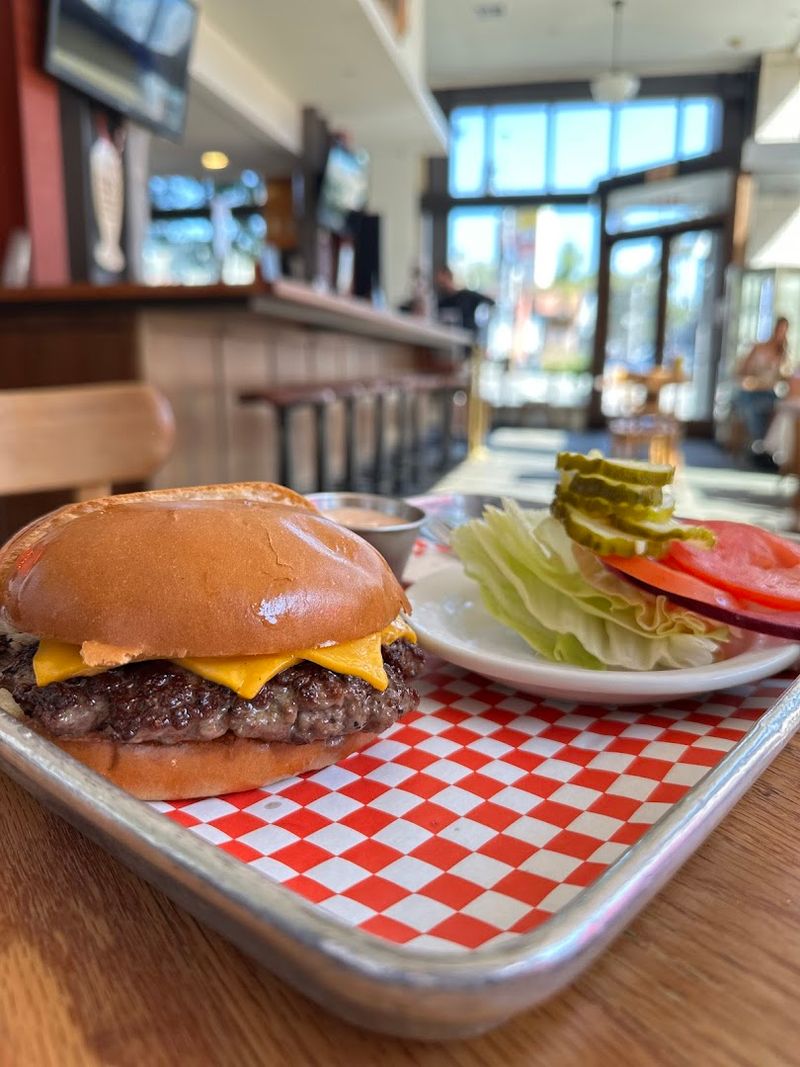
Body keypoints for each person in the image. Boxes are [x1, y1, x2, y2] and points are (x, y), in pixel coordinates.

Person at [735, 316, 791, 465]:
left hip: (770, 392)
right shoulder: (758, 348)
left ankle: (767, 448)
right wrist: (752, 378)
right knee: (751, 405)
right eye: (779, 329)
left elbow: (783, 377)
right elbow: (741, 371)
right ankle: (759, 444)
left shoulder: (783, 354)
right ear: (774, 329)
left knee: (781, 409)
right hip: (753, 389)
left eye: (784, 331)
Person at [435, 265, 495, 335]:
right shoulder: (441, 302)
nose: (442, 286)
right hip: (448, 339)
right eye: (440, 284)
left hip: (468, 338)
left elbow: (490, 301)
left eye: (443, 283)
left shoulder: (466, 295)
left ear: (450, 277)